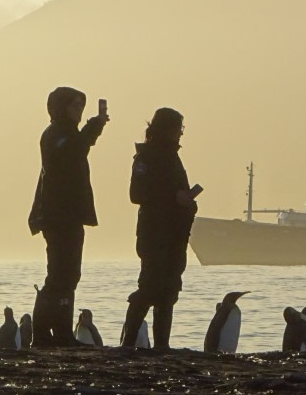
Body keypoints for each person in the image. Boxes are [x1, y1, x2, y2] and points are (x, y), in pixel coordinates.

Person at [28, 87, 109, 346]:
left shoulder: (64, 134)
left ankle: (57, 331)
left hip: (65, 214)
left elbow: (76, 148)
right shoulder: (57, 135)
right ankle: (46, 332)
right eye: (75, 106)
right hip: (59, 215)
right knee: (61, 274)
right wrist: (93, 128)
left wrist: (91, 129)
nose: (79, 111)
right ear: (61, 107)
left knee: (67, 274)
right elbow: (73, 151)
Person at [121, 108, 199, 350]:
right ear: (167, 129)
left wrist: (187, 201)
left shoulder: (172, 157)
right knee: (150, 287)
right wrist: (174, 196)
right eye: (179, 129)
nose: (181, 134)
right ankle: (128, 342)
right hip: (154, 233)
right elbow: (137, 194)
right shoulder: (146, 158)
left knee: (169, 289)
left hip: (175, 234)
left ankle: (161, 345)